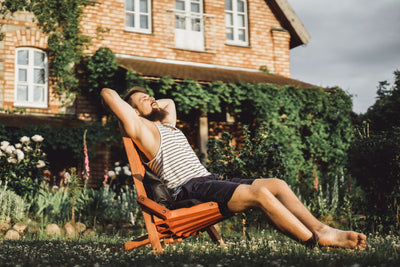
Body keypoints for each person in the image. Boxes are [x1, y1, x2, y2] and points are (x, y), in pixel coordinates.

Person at [101, 86, 367, 249]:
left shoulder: (167, 125)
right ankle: (314, 242)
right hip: (189, 188)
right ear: (132, 112)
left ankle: (322, 230)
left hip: (208, 180)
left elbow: (169, 102)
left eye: (149, 96)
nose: (151, 99)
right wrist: (134, 106)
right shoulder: (143, 131)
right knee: (260, 195)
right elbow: (107, 94)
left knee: (276, 184)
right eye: (143, 100)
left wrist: (152, 103)